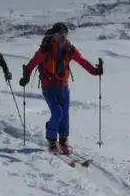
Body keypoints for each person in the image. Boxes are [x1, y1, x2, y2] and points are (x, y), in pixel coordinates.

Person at [19, 22, 103, 154]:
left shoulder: (69, 48)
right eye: (59, 35)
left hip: (63, 86)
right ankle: (52, 140)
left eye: (64, 34)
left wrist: (95, 71)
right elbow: (33, 62)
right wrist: (26, 76)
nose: (62, 37)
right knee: (57, 112)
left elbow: (82, 61)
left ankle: (63, 140)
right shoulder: (45, 48)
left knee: (65, 114)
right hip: (48, 86)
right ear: (54, 35)